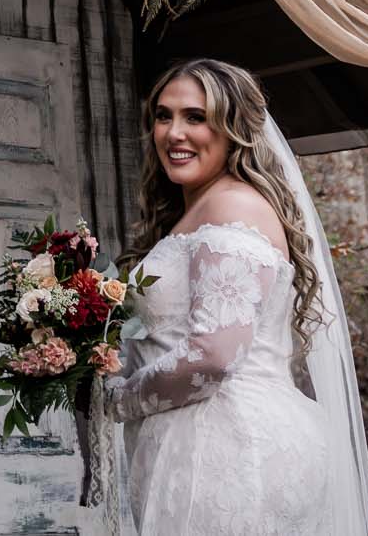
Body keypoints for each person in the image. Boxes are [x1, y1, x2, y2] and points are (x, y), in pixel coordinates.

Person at [101, 57, 341, 535]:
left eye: (195, 117)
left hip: (226, 443)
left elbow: (212, 357)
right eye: (163, 116)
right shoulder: (201, 210)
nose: (174, 133)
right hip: (201, 438)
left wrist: (118, 401)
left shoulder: (231, 205)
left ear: (234, 129)